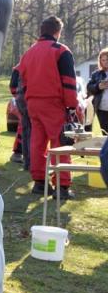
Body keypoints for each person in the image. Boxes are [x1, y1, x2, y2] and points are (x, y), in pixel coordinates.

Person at [17, 16, 79, 200]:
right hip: (53, 102)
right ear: (57, 32)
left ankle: (39, 183)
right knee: (60, 144)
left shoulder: (29, 53)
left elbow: (21, 80)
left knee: (37, 142)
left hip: (33, 103)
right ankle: (62, 186)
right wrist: (72, 105)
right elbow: (69, 82)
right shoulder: (60, 51)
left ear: (41, 31)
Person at [9, 65, 31, 169]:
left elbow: (12, 86)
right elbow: (13, 86)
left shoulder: (18, 67)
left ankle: (19, 153)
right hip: (26, 99)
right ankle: (20, 154)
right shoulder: (21, 67)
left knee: (23, 127)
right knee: (26, 128)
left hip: (22, 99)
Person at [86, 47, 108, 136]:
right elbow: (89, 87)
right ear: (100, 62)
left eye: (107, 59)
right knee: (103, 136)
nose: (106, 62)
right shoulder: (96, 74)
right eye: (103, 60)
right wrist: (98, 86)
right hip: (101, 110)